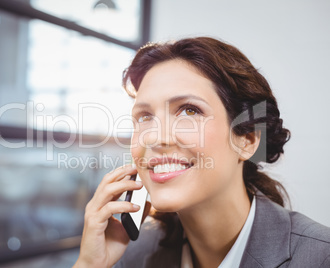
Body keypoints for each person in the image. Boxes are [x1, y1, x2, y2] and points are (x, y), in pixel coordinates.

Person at [73, 37, 330, 268]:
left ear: (248, 140)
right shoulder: (133, 253)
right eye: (145, 116)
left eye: (189, 111)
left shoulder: (320, 257)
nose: (155, 137)